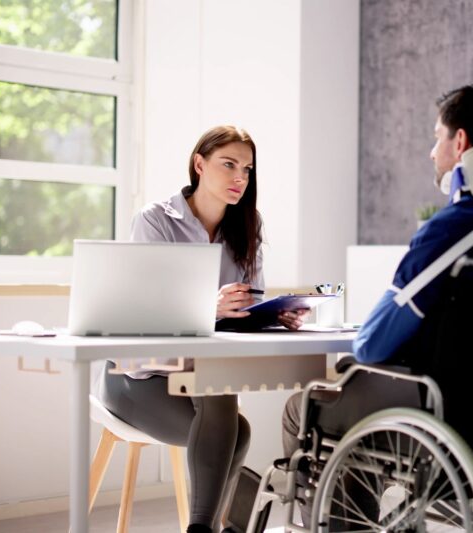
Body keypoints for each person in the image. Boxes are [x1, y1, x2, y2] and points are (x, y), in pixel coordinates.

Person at [280, 83, 473, 524]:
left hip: (436, 417)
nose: (431, 151)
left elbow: (370, 348)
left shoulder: (448, 233)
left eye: (437, 137)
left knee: (306, 406)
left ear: (460, 143)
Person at [99, 125, 306, 533]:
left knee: (223, 399)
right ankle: (209, 528)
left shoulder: (247, 225)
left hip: (197, 376)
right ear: (199, 164)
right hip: (136, 376)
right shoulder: (156, 221)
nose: (239, 178)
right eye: (228, 165)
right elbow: (140, 310)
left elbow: (244, 305)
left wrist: (271, 313)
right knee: (234, 423)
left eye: (246, 169)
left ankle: (203, 529)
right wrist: (207, 307)